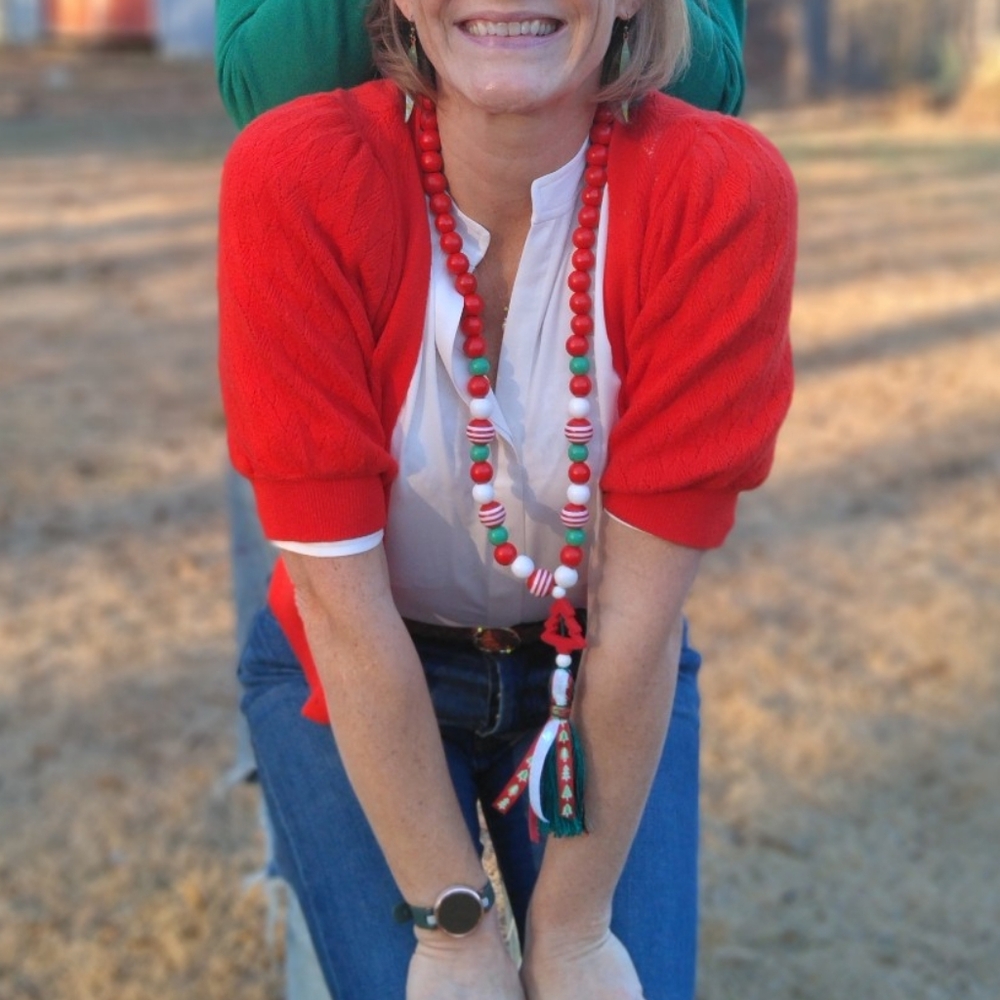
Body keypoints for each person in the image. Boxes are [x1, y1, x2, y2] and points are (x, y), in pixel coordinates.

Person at [217, 0, 795, 996]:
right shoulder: (297, 176)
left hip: (595, 666)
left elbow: (641, 616)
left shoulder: (719, 189)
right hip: (355, 657)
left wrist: (570, 932)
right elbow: (341, 615)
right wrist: (453, 929)